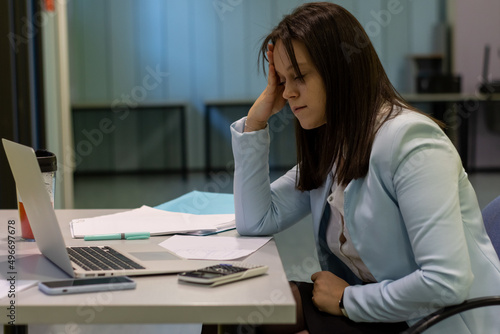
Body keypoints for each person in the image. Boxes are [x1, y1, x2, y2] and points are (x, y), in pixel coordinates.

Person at [230, 2, 500, 334]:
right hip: (373, 307)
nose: (287, 92)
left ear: (341, 69)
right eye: (282, 80)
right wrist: (256, 123)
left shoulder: (412, 143)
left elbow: (447, 283)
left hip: (430, 320)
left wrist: (348, 301)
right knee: (236, 313)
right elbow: (256, 219)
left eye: (299, 75)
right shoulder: (336, 145)